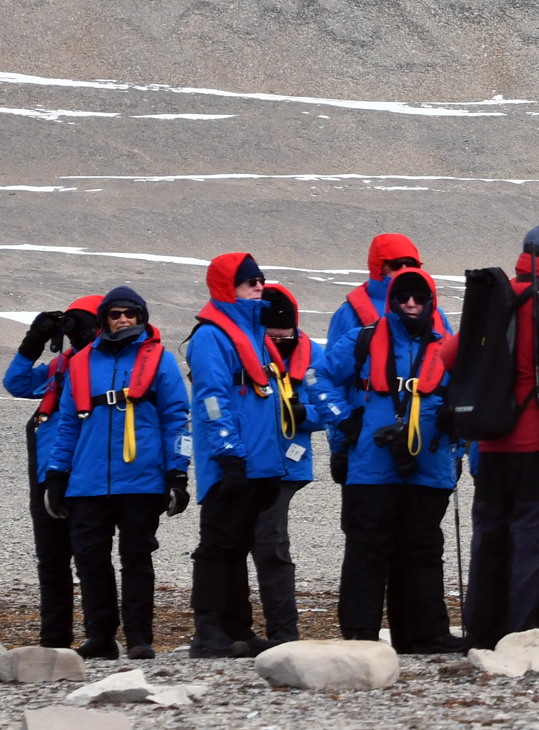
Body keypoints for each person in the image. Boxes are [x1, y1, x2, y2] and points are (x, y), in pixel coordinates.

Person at [319, 267, 465, 651]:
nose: (411, 304)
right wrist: (342, 419)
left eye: (419, 297)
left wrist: (459, 440)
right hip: (371, 467)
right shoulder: (362, 339)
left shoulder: (449, 349)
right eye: (403, 297)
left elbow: (468, 400)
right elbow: (317, 378)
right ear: (392, 300)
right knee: (367, 550)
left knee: (423, 550)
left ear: (431, 302)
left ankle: (425, 635)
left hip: (430, 467)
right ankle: (360, 636)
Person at [39, 285, 188, 659]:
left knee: (136, 558)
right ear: (104, 319)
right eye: (115, 314)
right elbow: (67, 424)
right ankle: (101, 637)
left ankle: (139, 638)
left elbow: (176, 421)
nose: (122, 319)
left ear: (141, 317)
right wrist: (56, 476)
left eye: (130, 313)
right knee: (90, 560)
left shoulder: (161, 360)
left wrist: (178, 474)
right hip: (87, 482)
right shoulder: (81, 362)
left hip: (142, 480)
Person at [466, 225, 539, 650]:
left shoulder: (498, 295)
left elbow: (454, 353)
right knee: (532, 535)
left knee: (490, 534)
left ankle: (483, 631)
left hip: (491, 437)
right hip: (534, 436)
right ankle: (526, 634)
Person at [185, 253, 291, 658]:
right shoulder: (211, 337)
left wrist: (270, 466)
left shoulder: (254, 332)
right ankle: (208, 629)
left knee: (238, 544)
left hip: (258, 463)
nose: (259, 286)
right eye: (249, 282)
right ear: (228, 287)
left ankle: (236, 628)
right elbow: (212, 398)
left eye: (260, 280)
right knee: (217, 544)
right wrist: (228, 453)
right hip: (230, 461)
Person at [4, 295, 102, 649]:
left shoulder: (108, 367)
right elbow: (16, 383)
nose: (75, 334)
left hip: (86, 475)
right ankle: (55, 640)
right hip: (46, 475)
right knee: (52, 560)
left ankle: (99, 638)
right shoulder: (61, 367)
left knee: (91, 559)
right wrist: (33, 342)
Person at [245, 283, 333, 646]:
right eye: (273, 334)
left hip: (284, 467)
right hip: (241, 463)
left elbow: (328, 408)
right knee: (234, 546)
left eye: (287, 334)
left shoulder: (313, 354)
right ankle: (235, 631)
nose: (281, 340)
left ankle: (284, 635)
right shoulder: (241, 348)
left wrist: (302, 413)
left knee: (270, 545)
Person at [325, 233, 443, 498]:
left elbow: (451, 376)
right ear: (378, 267)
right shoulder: (350, 313)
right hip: (367, 440)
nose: (404, 269)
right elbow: (333, 378)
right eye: (396, 264)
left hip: (422, 441)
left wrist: (452, 451)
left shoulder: (432, 311)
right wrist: (339, 440)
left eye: (411, 264)